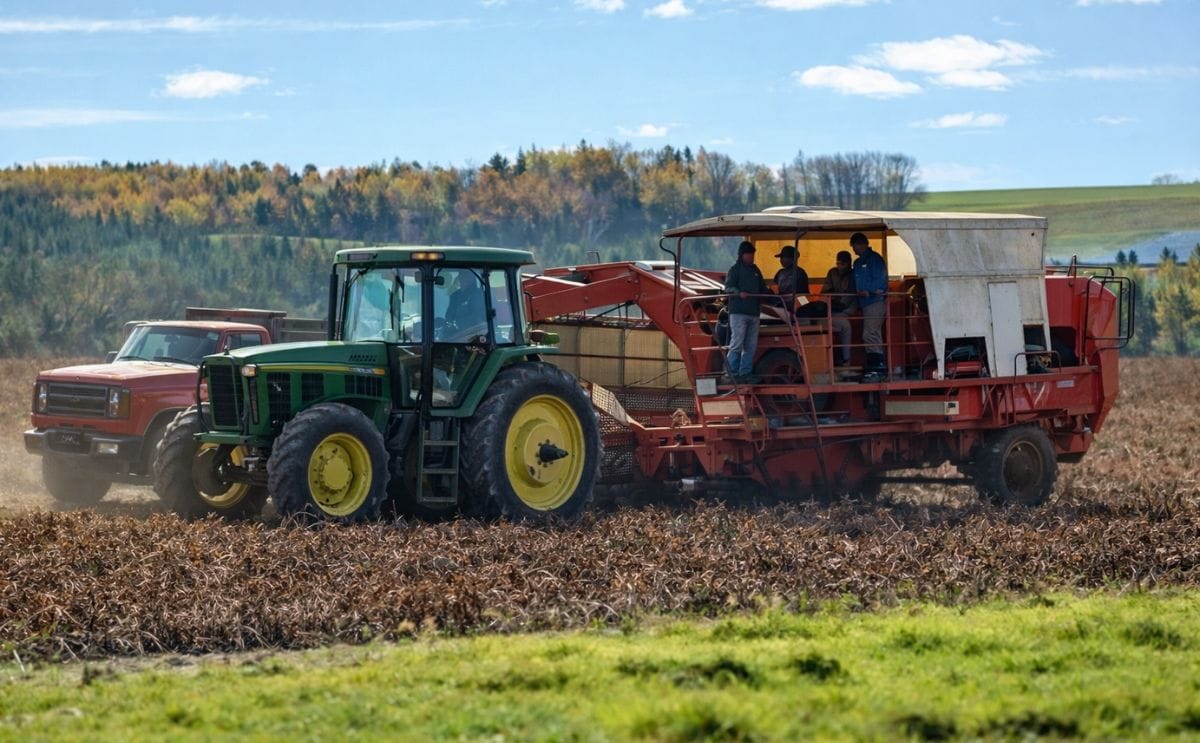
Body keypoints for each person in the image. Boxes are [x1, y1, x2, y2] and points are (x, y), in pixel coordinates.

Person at [723, 240, 769, 382]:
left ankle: (745, 373)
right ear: (742, 255)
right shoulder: (735, 270)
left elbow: (762, 288)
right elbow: (728, 287)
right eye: (749, 254)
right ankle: (731, 373)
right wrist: (738, 292)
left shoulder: (756, 270)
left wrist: (772, 295)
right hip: (738, 313)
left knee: (751, 345)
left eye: (752, 255)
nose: (751, 257)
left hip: (754, 313)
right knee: (737, 343)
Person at [850, 232, 887, 377]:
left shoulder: (875, 259)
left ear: (862, 244)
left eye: (855, 246)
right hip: (864, 303)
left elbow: (880, 280)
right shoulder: (858, 263)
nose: (854, 249)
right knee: (872, 333)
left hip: (875, 302)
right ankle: (877, 367)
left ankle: (877, 367)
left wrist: (869, 290)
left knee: (870, 333)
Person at [821, 250, 857, 366]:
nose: (840, 266)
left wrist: (837, 303)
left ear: (849, 264)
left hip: (847, 309)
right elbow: (825, 290)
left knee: (844, 325)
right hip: (832, 308)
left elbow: (850, 297)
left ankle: (846, 359)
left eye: (843, 264)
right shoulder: (832, 272)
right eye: (838, 263)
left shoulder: (853, 275)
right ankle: (839, 358)